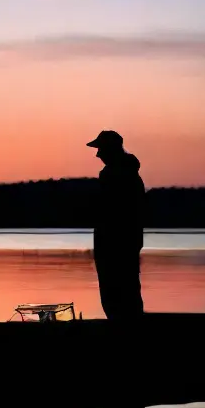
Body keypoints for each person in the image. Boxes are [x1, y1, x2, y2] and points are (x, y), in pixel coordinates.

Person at [87, 130, 145, 321]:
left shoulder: (116, 176)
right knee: (125, 289)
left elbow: (115, 212)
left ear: (111, 150)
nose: (97, 154)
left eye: (100, 149)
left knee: (117, 291)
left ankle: (123, 332)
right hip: (122, 241)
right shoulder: (127, 175)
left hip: (115, 243)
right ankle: (126, 328)